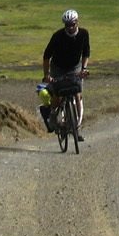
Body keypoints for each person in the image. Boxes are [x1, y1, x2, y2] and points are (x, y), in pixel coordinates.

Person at [42, 9, 90, 140]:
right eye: (67, 25)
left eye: (72, 24)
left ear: (77, 22)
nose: (70, 27)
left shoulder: (84, 34)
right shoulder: (57, 36)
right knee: (58, 94)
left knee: (77, 94)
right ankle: (53, 114)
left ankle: (76, 128)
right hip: (58, 67)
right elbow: (46, 56)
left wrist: (84, 68)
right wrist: (47, 75)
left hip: (74, 67)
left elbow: (86, 53)